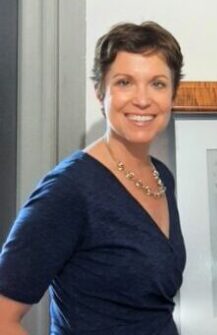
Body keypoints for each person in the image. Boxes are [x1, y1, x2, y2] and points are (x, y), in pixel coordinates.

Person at [0, 21, 186, 334]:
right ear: (100, 91)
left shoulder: (161, 176)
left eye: (157, 84)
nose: (142, 99)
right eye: (124, 82)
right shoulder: (69, 189)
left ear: (173, 94)